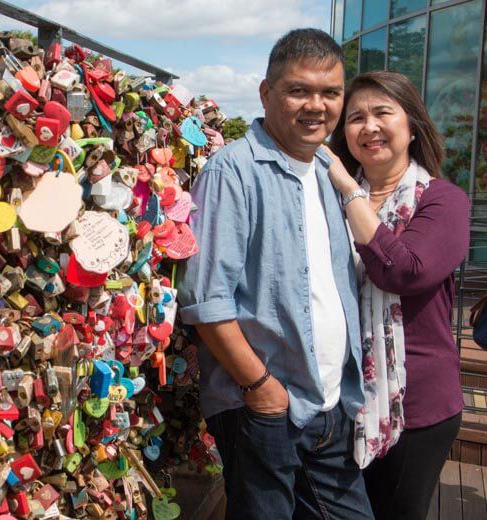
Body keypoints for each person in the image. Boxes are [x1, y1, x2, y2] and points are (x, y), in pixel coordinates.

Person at [177, 29, 372, 519]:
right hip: (263, 409)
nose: (317, 105)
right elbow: (205, 300)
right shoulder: (233, 171)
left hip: (330, 405)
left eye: (330, 93)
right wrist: (261, 390)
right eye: (299, 90)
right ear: (267, 93)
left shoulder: (328, 171)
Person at [327, 70, 469, 520]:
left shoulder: (444, 201)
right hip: (341, 399)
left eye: (382, 113)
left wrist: (349, 191)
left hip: (418, 405)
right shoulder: (324, 202)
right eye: (355, 117)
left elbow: (404, 271)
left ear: (412, 126)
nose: (369, 126)